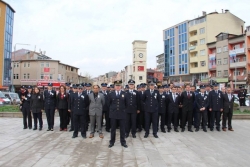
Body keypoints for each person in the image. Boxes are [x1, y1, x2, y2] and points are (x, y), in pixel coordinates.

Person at [108, 80, 127, 148]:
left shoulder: (124, 93)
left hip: (122, 114)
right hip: (113, 114)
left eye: (119, 86)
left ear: (121, 86)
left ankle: (123, 142)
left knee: (122, 129)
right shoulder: (111, 94)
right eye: (116, 86)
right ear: (114, 87)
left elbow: (126, 104)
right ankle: (112, 142)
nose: (118, 87)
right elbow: (109, 104)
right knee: (113, 129)